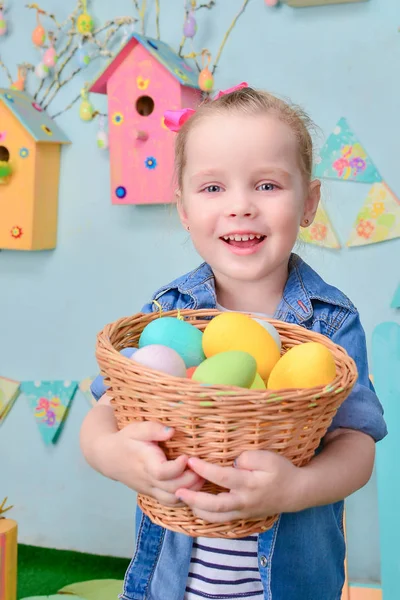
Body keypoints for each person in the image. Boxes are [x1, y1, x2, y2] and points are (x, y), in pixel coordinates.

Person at [80, 83, 387, 600]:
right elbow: (107, 410)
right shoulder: (169, 311)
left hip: (289, 585)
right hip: (173, 585)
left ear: (309, 203)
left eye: (267, 185)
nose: (240, 206)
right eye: (213, 188)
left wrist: (297, 488)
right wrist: (113, 454)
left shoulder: (329, 323)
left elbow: (356, 444)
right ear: (182, 209)